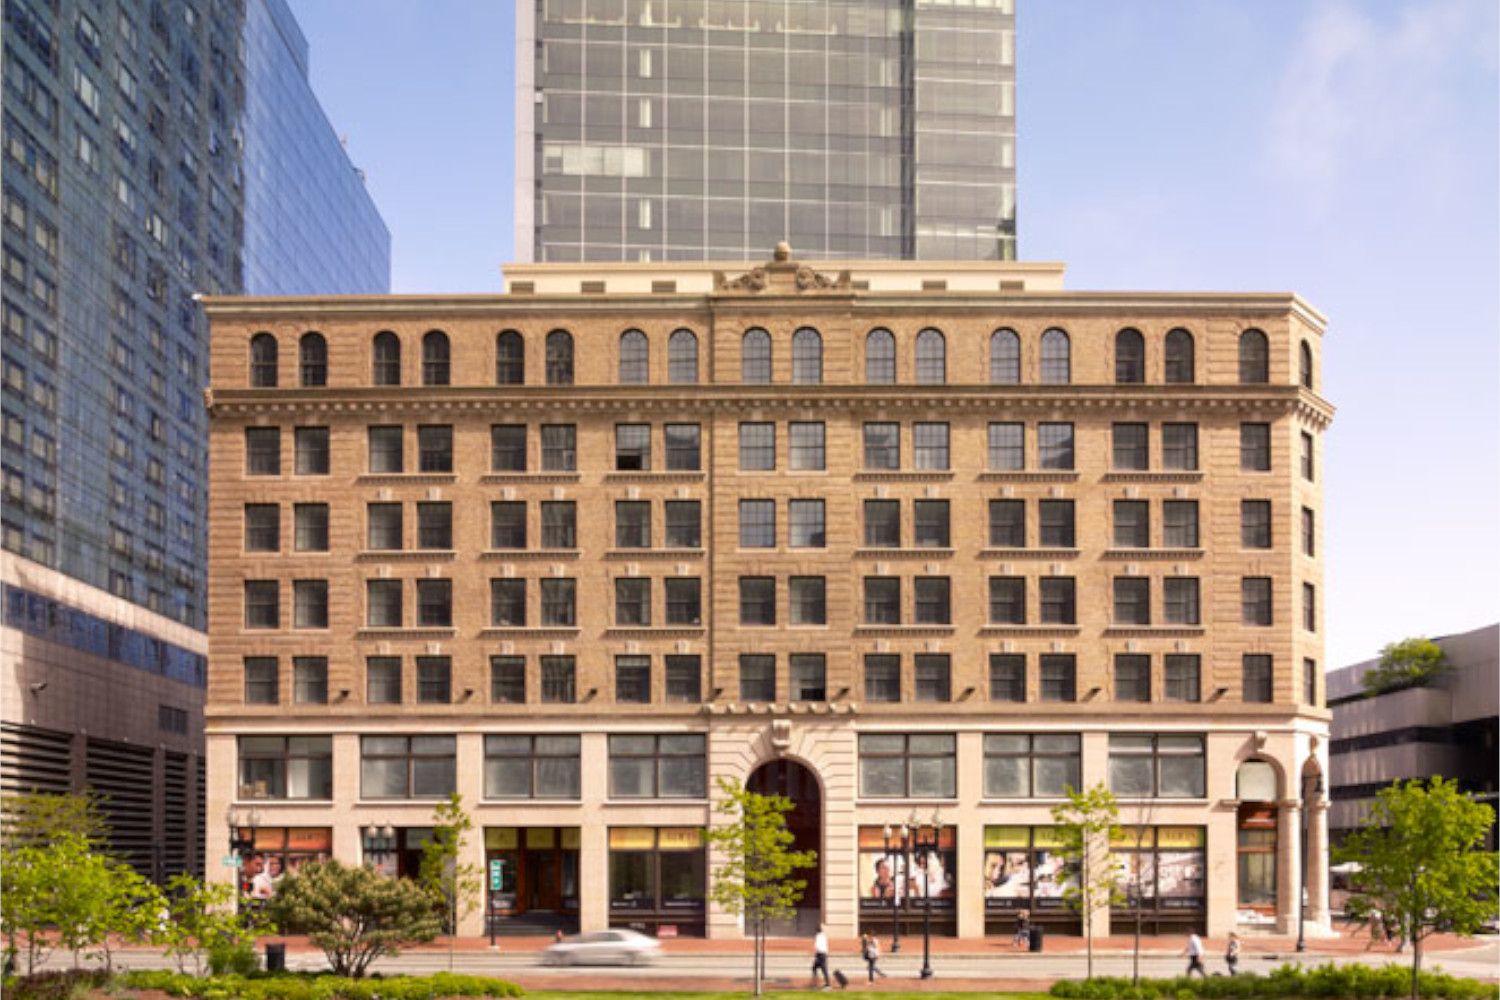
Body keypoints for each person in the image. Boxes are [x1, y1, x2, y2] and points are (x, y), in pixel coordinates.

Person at [810, 926, 831, 990]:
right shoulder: (824, 935)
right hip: (824, 954)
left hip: (820, 954)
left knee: (819, 969)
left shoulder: (818, 936)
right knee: (820, 969)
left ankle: (826, 985)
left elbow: (817, 946)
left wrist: (816, 954)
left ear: (816, 931)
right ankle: (825, 984)